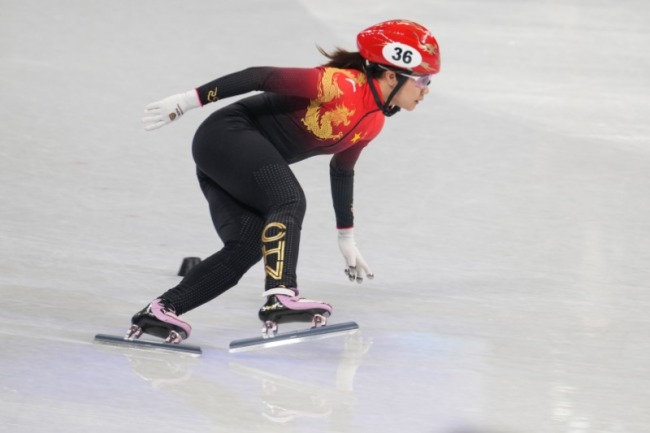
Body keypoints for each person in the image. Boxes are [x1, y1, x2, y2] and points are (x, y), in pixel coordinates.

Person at [127, 19, 441, 343]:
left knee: (247, 246)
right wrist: (187, 100)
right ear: (392, 75)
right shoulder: (338, 85)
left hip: (230, 163)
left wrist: (346, 236)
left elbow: (342, 170)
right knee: (288, 199)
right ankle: (281, 294)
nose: (427, 89)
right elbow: (260, 76)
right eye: (424, 79)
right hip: (225, 136)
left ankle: (162, 309)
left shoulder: (373, 122)